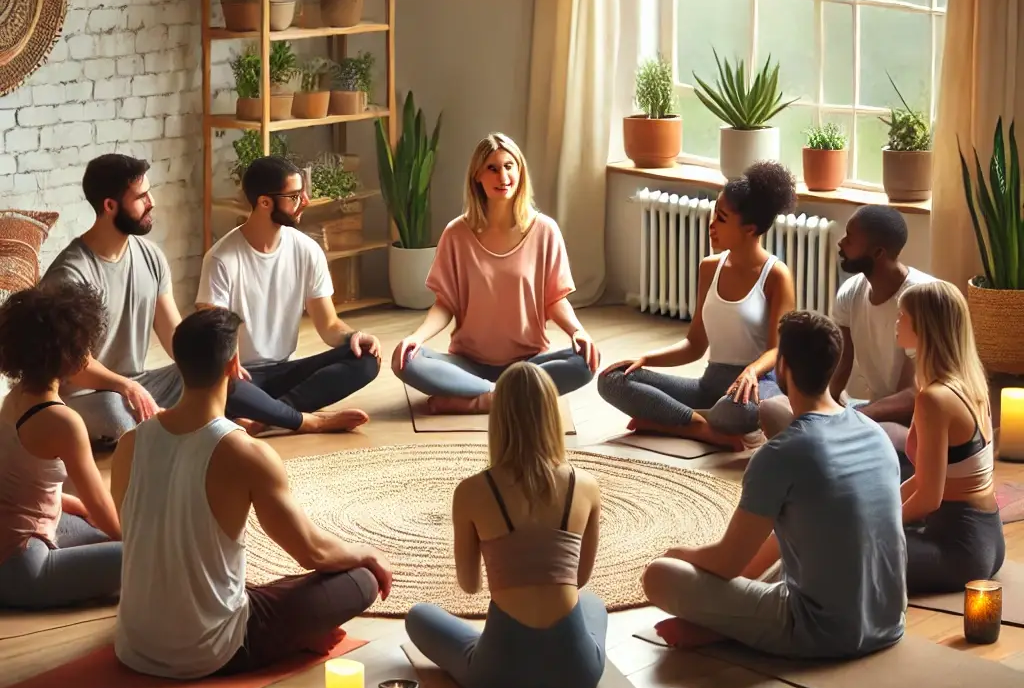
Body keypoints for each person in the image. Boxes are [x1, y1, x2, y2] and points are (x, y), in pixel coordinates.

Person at [111, 307, 391, 679]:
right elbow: (313, 552)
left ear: (178, 364)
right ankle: (290, 639)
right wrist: (368, 552)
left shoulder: (129, 443)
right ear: (233, 365)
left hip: (134, 643)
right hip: (213, 651)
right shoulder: (246, 452)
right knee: (360, 579)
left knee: (265, 585)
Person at [643, 311, 906, 657]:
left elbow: (726, 563)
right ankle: (733, 618)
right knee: (810, 535)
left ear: (782, 367)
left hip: (822, 632)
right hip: (888, 619)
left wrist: (677, 553)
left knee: (659, 575)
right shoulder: (874, 432)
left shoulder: (780, 454)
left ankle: (729, 624)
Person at [405, 362, 605, 688]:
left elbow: (470, 586)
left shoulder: (471, 491)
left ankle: (496, 646)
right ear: (553, 415)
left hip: (495, 674)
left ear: (497, 419)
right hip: (578, 671)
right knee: (593, 604)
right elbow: (580, 578)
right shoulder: (584, 486)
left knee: (419, 616)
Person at [392, 134, 599, 415]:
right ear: (477, 175)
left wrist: (578, 332)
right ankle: (506, 397)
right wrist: (416, 338)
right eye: (492, 168)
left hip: (528, 364)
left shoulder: (544, 231)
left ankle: (479, 399)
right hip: (467, 362)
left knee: (585, 362)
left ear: (520, 170)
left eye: (509, 166)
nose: (503, 176)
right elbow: (445, 304)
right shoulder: (456, 234)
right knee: (405, 360)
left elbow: (555, 299)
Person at [598, 161, 797, 450]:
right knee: (612, 380)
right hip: (710, 386)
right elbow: (694, 344)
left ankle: (667, 421)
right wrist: (646, 359)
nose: (711, 224)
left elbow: (777, 349)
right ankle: (702, 428)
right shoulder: (709, 268)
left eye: (722, 218)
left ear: (749, 229)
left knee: (736, 412)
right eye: (713, 213)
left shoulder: (776, 275)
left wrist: (751, 371)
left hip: (753, 388)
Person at [196, 155, 382, 436]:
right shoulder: (221, 259)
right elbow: (212, 337)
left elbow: (329, 325)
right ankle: (306, 420)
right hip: (241, 377)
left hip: (284, 371)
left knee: (366, 358)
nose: (305, 201)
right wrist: (227, 364)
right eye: (294, 196)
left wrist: (352, 336)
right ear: (264, 202)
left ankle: (268, 418)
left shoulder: (307, 250)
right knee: (220, 387)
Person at [760, 204, 932, 474]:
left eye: (850, 238)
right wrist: (820, 407)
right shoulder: (851, 292)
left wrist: (854, 417)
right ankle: (826, 462)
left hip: (910, 426)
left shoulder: (920, 299)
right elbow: (840, 365)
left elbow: (913, 396)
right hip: (867, 413)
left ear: (878, 253)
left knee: (875, 436)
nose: (841, 242)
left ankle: (822, 463)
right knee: (772, 409)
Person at [40, 154, 183, 447]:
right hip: (86, 396)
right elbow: (74, 364)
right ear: (109, 205)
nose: (152, 201)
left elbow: (174, 335)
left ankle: (169, 425)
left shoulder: (151, 256)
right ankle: (181, 425)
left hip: (137, 385)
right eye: (141, 196)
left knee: (205, 379)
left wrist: (208, 363)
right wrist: (125, 386)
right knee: (116, 415)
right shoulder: (71, 274)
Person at [0, 282, 122, 609]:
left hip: (17, 540)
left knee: (99, 531)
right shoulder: (62, 421)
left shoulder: (15, 397)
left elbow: (30, 488)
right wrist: (137, 545)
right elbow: (101, 505)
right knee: (149, 554)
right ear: (70, 354)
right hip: (22, 568)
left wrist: (84, 513)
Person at [896, 281, 1004, 593]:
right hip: (985, 537)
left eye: (903, 315)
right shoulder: (967, 384)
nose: (897, 321)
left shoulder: (936, 398)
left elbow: (930, 497)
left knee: (845, 551)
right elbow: (924, 480)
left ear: (924, 327)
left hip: (958, 550)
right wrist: (881, 510)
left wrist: (876, 524)